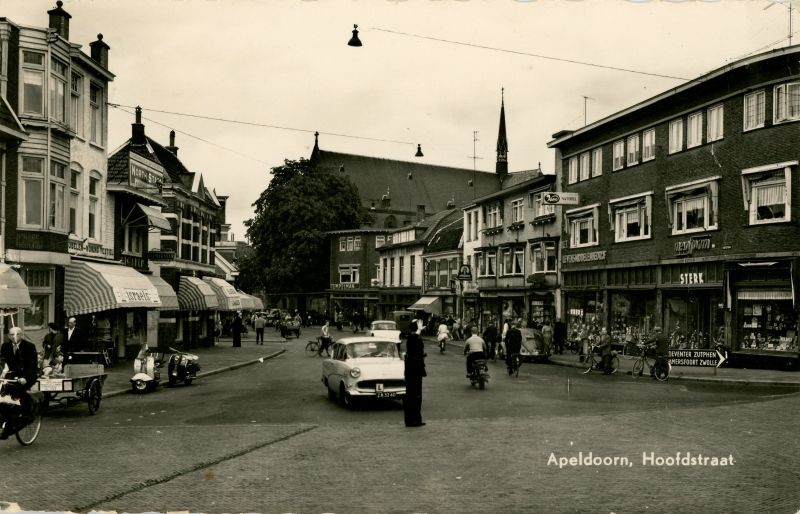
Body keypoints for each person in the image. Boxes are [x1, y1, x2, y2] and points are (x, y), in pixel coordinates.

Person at [0, 327, 38, 439]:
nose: (14, 336)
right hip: (11, 376)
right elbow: (2, 362)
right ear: (8, 336)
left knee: (15, 396)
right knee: (3, 397)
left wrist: (26, 377)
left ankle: (10, 427)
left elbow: (32, 365)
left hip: (26, 376)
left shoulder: (29, 346)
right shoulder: (5, 346)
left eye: (17, 334)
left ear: (21, 335)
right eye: (11, 334)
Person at [403, 321, 427, 427]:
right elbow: (416, 343)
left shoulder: (412, 338)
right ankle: (412, 420)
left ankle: (415, 419)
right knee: (415, 395)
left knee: (415, 395)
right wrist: (419, 330)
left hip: (413, 369)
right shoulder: (413, 338)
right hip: (414, 370)